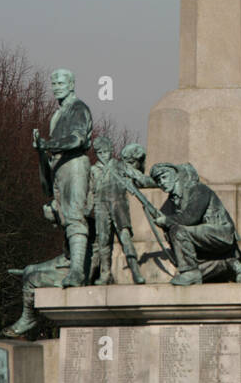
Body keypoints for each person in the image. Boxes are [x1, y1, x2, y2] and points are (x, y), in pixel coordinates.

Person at [33, 69, 93, 288]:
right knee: (64, 217)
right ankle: (71, 264)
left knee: (75, 215)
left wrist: (47, 145)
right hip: (59, 167)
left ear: (71, 85)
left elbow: (77, 139)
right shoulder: (58, 114)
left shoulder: (78, 108)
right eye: (54, 83)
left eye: (60, 83)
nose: (56, 87)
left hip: (74, 164)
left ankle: (77, 271)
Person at [149, 163, 241, 286]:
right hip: (204, 236)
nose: (161, 183)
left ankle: (190, 272)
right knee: (188, 263)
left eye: (164, 177)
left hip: (221, 233)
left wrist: (166, 220)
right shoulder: (175, 199)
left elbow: (190, 218)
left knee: (178, 231)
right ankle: (226, 264)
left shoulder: (198, 189)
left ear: (176, 176)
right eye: (158, 180)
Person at [88, 138, 153, 285]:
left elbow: (141, 179)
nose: (103, 155)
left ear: (111, 151)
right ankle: (105, 274)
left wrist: (158, 181)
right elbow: (90, 193)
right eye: (99, 152)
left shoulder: (120, 166)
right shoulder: (93, 170)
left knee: (125, 238)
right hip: (100, 208)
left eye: (105, 151)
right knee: (103, 242)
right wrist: (86, 209)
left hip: (118, 206)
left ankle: (135, 272)